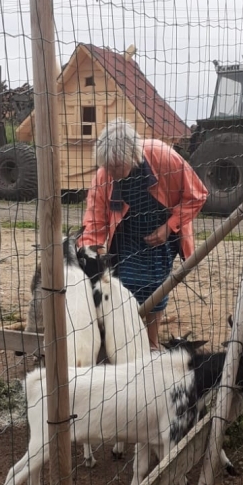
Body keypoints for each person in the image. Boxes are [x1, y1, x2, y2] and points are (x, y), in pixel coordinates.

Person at [81, 119, 207, 348]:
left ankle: (150, 342)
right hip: (127, 233)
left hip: (162, 228)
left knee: (157, 285)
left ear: (132, 155)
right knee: (127, 283)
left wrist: (169, 227)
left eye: (116, 167)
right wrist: (91, 251)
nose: (111, 172)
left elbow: (197, 195)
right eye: (106, 166)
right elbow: (94, 219)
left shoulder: (164, 157)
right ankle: (128, 339)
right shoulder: (104, 175)